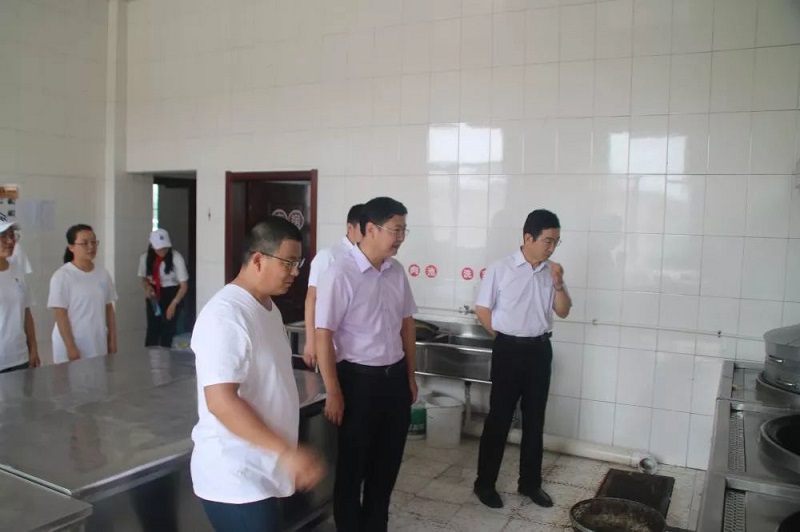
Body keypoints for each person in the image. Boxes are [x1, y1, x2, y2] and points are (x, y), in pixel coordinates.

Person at [190, 217, 324, 532]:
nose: (295, 272)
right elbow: (220, 402)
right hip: (235, 477)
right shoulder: (226, 315)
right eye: (288, 263)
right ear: (258, 260)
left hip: (262, 471)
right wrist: (287, 453)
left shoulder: (268, 308)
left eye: (298, 263)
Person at [315, 196, 417, 532]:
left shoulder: (396, 272)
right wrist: (333, 390)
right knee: (353, 467)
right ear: (370, 229)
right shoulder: (339, 273)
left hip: (394, 379)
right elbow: (323, 333)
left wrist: (410, 376)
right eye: (395, 230)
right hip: (357, 382)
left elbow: (407, 325)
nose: (400, 238)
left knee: (387, 464)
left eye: (403, 230)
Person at [472, 209, 572, 509]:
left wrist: (558, 284)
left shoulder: (552, 271)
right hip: (509, 351)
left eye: (556, 241)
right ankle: (484, 484)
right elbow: (482, 309)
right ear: (528, 237)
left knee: (535, 419)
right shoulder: (500, 268)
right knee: (499, 419)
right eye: (547, 241)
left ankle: (530, 484)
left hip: (540, 351)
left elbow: (564, 311)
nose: (551, 247)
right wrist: (505, 337)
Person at [302, 203, 364, 368]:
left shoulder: (369, 257)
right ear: (350, 228)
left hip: (358, 349)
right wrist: (311, 341)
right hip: (332, 345)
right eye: (364, 229)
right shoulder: (329, 255)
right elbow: (312, 298)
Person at [48, 224, 118, 364]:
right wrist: (70, 347)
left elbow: (109, 309)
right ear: (71, 247)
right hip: (72, 345)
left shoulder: (103, 274)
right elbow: (60, 314)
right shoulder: (62, 276)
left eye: (93, 242)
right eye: (84, 243)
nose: (91, 247)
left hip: (97, 342)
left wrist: (112, 339)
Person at [0, 213, 40, 373]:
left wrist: (33, 349)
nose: (10, 242)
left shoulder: (17, 269)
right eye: (3, 237)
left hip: (19, 357)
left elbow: (26, 313)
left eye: (12, 236)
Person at [139, 228, 189, 347]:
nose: (162, 251)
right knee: (153, 329)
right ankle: (150, 356)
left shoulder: (176, 258)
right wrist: (147, 287)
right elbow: (143, 278)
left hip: (172, 294)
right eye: (159, 248)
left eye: (165, 248)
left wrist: (173, 304)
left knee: (169, 330)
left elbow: (184, 285)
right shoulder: (145, 258)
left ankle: (168, 356)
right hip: (154, 294)